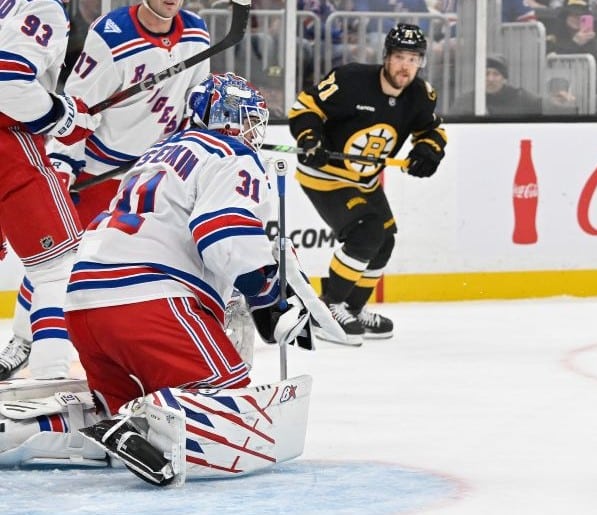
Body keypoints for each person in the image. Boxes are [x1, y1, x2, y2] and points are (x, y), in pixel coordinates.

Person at [0, 72, 317, 486]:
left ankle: (30, 430)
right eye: (250, 119)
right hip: (149, 301)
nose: (255, 131)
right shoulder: (232, 153)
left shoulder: (157, 153)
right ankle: (145, 423)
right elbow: (224, 233)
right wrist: (266, 292)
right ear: (229, 118)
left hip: (83, 305)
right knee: (225, 397)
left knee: (108, 408)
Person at [0, 0, 214, 382]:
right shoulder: (112, 33)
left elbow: (196, 98)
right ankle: (24, 341)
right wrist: (65, 162)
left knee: (153, 261)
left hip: (152, 171)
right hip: (98, 169)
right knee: (54, 260)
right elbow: (81, 101)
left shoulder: (197, 32)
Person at [289, 23, 447, 345]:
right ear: (386, 57)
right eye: (400, 57)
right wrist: (310, 138)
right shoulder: (350, 80)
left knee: (384, 240)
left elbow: (433, 132)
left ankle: (353, 307)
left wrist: (426, 152)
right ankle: (326, 309)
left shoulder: (419, 95)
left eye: (414, 59)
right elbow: (306, 108)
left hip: (364, 180)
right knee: (366, 231)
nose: (406, 66)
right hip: (326, 176)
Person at [0, 0, 99, 380]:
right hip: (9, 147)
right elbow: (7, 78)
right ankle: (50, 382)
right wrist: (60, 116)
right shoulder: (42, 6)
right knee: (59, 269)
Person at [450, 55, 542, 116]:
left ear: (504, 79)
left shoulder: (522, 99)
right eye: (486, 74)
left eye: (496, 74)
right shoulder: (465, 102)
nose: (490, 79)